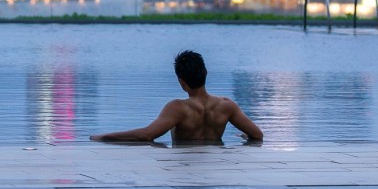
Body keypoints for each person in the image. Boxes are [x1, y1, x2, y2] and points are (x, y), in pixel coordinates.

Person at [90, 50, 263, 143]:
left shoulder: (178, 108)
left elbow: (146, 135)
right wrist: (245, 137)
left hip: (184, 163)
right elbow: (257, 135)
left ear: (181, 82)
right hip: (213, 164)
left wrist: (104, 137)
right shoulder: (227, 106)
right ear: (206, 73)